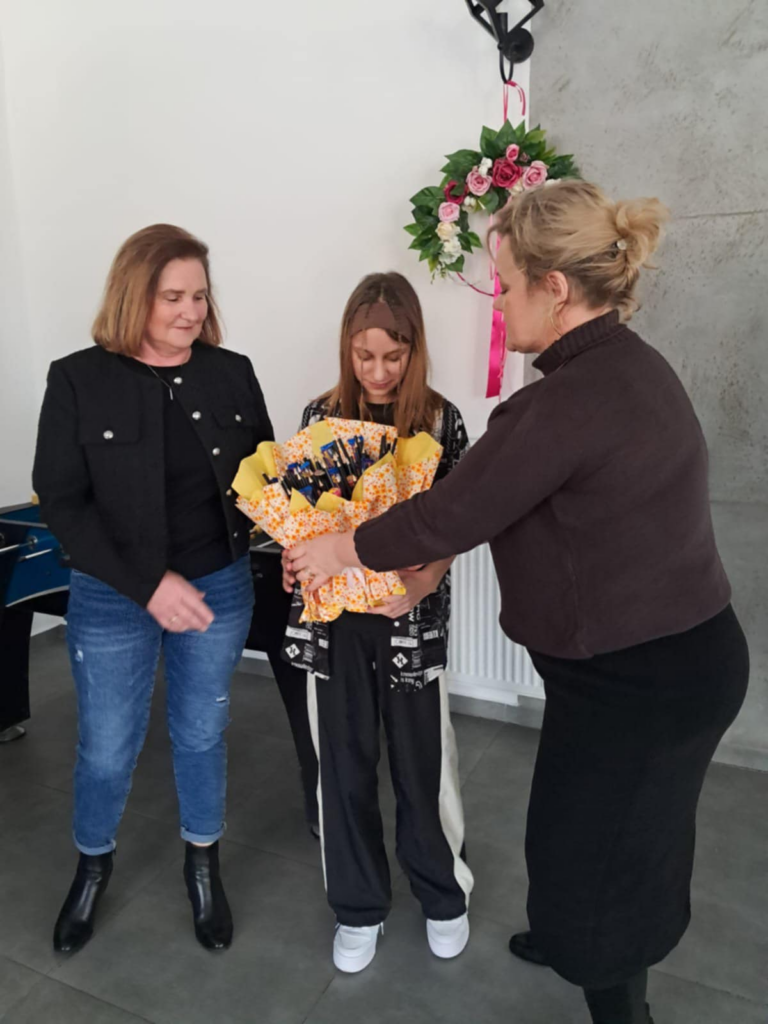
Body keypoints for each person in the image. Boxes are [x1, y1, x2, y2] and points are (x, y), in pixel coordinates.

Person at [285, 182, 750, 1022]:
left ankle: (615, 996)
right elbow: (493, 508)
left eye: (505, 285)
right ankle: (578, 940)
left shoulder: (562, 402)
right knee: (623, 844)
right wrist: (421, 572)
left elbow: (451, 511)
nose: (498, 303)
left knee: (600, 867)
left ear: (555, 287)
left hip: (639, 682)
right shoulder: (629, 364)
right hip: (672, 664)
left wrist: (339, 548)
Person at [33, 224, 274, 954]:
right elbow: (62, 501)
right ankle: (93, 865)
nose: (191, 311)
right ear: (133, 295)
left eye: (199, 295)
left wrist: (309, 534)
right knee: (108, 747)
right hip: (112, 595)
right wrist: (148, 584)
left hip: (218, 586)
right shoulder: (77, 379)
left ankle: (202, 863)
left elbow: (265, 478)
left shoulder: (231, 372)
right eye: (173, 297)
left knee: (201, 733)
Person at [283, 272, 474, 973]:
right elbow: (299, 516)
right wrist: (295, 562)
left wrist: (426, 577)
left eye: (394, 356)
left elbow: (460, 519)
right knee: (343, 762)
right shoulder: (319, 414)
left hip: (409, 619)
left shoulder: (442, 421)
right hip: (334, 624)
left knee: (424, 764)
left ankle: (442, 893)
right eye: (364, 356)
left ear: (415, 349)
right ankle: (358, 906)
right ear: (347, 349)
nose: (378, 371)